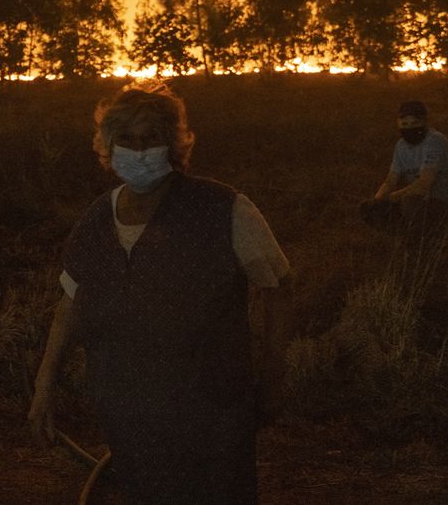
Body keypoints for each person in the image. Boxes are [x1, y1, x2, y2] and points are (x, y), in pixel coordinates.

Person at [29, 81, 291, 505]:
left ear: (172, 144)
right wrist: (44, 388)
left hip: (212, 409)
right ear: (109, 147)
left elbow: (278, 286)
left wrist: (273, 377)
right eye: (127, 139)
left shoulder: (223, 208)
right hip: (126, 408)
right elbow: (70, 304)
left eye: (150, 138)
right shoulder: (98, 219)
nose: (138, 150)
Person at [360, 100, 448, 238]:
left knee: (410, 202)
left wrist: (395, 196)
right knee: (368, 208)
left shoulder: (435, 141)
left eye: (414, 123)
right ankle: (404, 239)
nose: (409, 128)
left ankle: (424, 242)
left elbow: (424, 184)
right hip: (424, 205)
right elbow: (390, 181)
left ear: (424, 122)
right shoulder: (401, 146)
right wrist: (377, 201)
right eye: (405, 124)